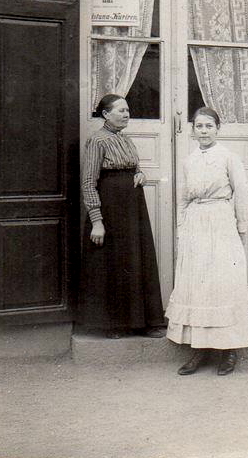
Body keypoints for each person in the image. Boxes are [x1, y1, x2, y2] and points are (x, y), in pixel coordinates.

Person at [166, 107, 248, 375]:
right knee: (197, 285)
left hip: (220, 220)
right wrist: (182, 227)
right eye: (199, 126)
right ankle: (199, 350)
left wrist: (241, 226)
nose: (203, 131)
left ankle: (229, 351)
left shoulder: (228, 157)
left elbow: (241, 193)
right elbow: (182, 197)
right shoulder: (188, 161)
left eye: (209, 126)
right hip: (196, 223)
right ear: (192, 130)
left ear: (218, 129)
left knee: (222, 283)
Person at [80, 94, 166, 339]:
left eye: (128, 109)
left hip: (133, 209)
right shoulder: (97, 141)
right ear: (106, 114)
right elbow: (88, 182)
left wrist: (140, 175)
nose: (127, 114)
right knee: (114, 263)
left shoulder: (126, 140)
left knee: (137, 260)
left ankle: (145, 322)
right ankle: (114, 324)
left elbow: (134, 168)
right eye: (121, 110)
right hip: (110, 210)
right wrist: (97, 221)